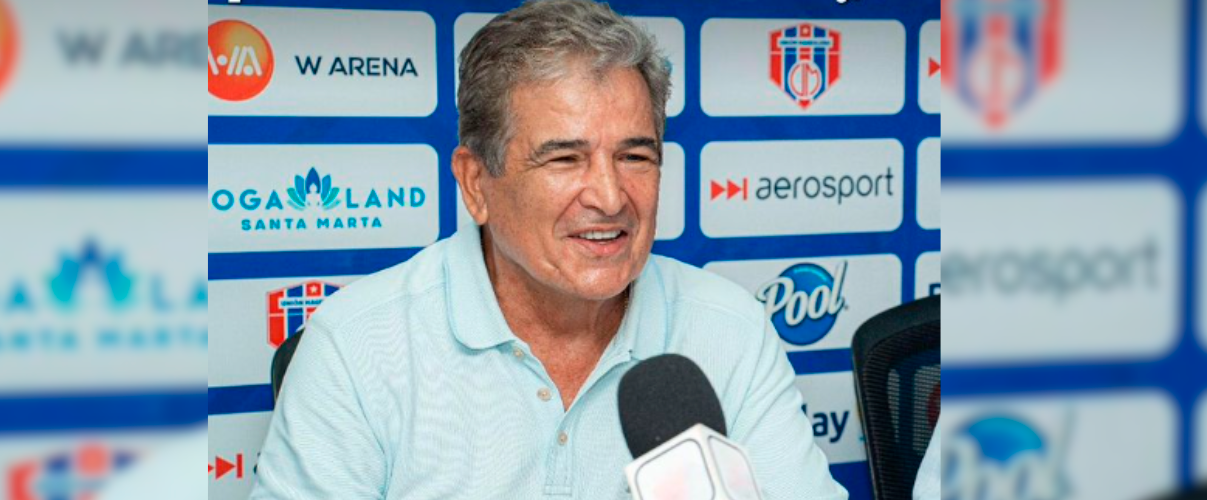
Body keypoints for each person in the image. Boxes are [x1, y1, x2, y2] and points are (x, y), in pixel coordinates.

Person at [249, 0, 847, 498]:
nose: (610, 196)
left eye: (635, 156)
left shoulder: (729, 328)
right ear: (476, 183)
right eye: (564, 158)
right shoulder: (357, 345)